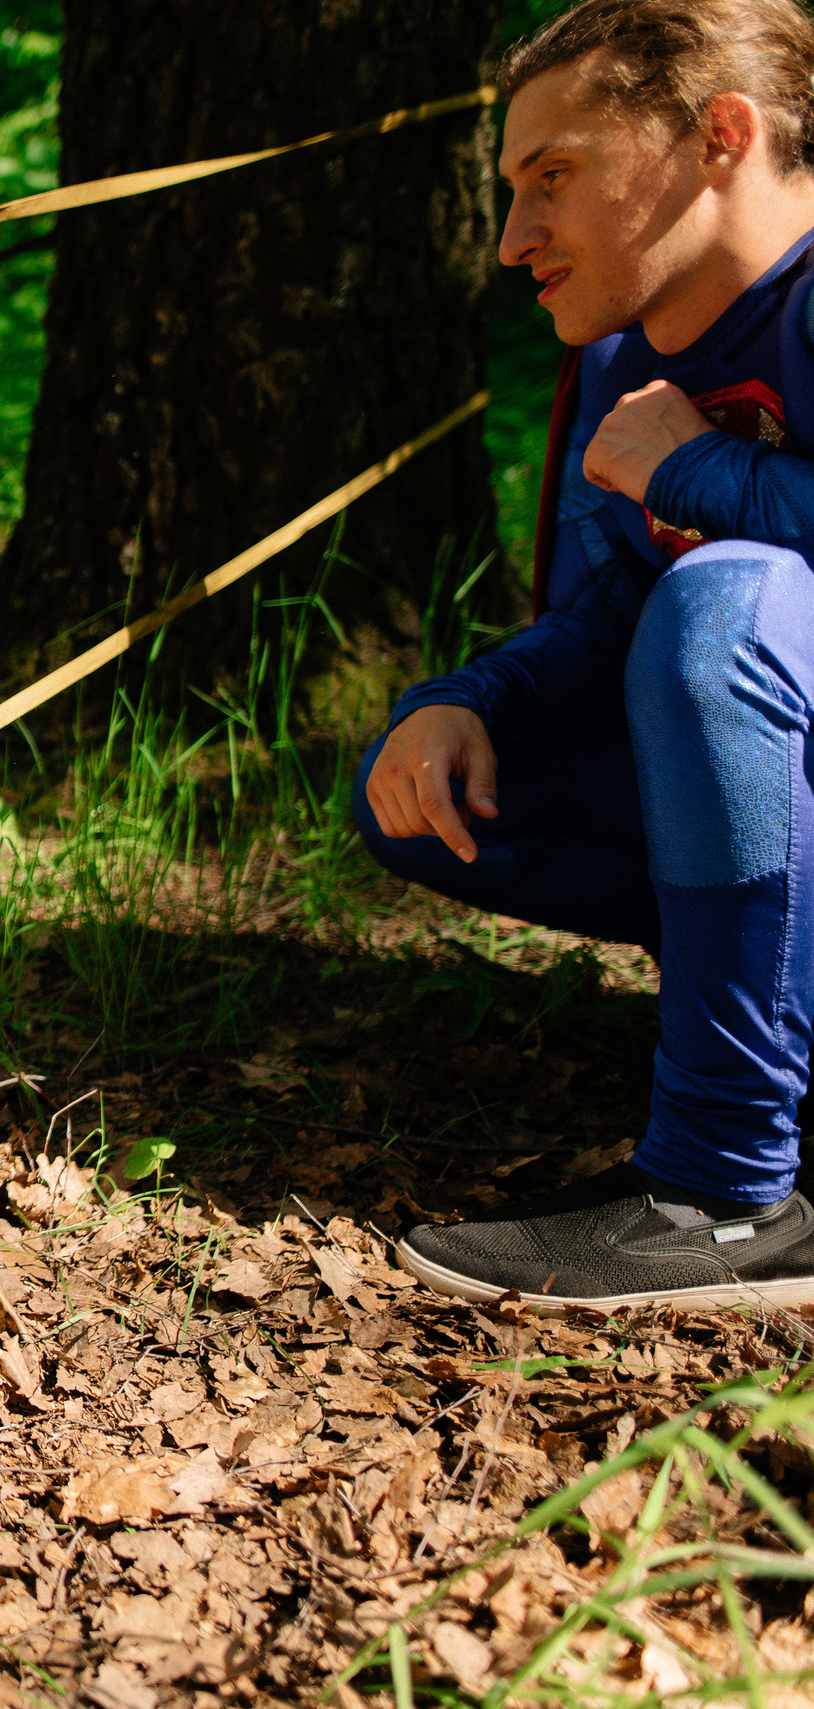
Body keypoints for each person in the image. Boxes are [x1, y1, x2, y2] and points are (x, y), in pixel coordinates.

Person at [357, 0, 814, 1309]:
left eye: (552, 176)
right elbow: (611, 616)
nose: (512, 238)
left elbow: (713, 609)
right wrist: (462, 698)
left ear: (720, 136)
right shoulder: (618, 352)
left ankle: (725, 1195)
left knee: (726, 603)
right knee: (429, 793)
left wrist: (705, 474)